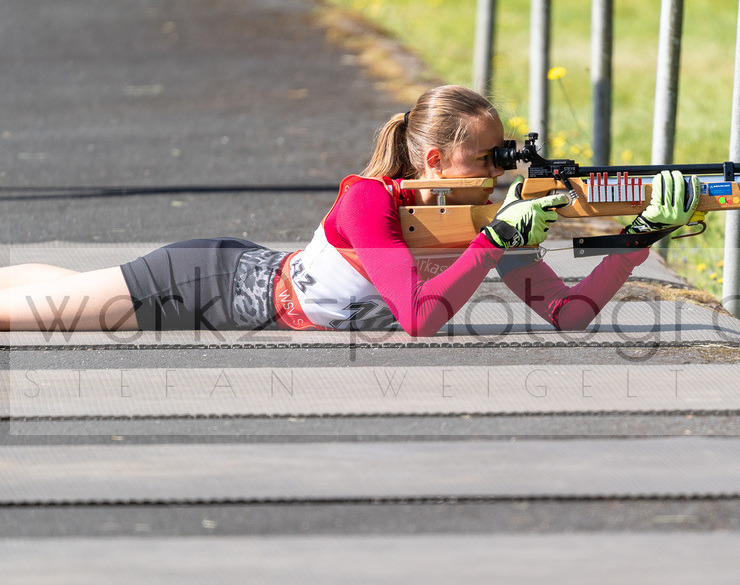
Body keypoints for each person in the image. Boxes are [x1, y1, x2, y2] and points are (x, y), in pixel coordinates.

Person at [0, 85, 699, 335]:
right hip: (205, 282)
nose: (498, 173)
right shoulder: (367, 200)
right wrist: (492, 245)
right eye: (486, 159)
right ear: (434, 163)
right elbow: (418, 319)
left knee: (43, 285)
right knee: (30, 314)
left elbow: (568, 314)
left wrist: (638, 239)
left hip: (232, 289)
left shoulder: (480, 218)